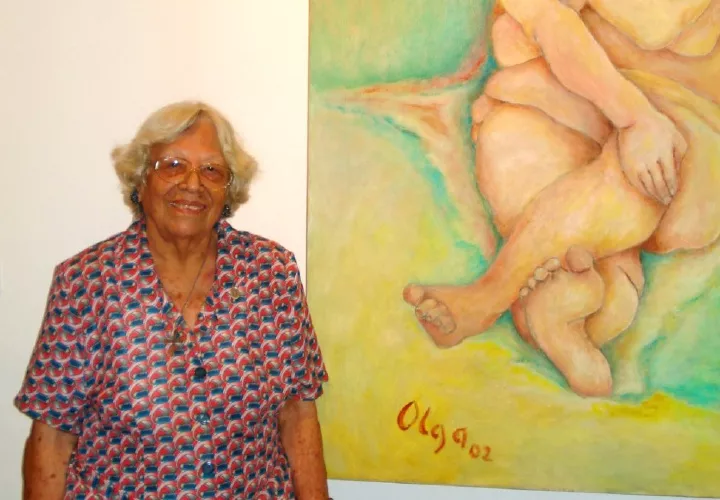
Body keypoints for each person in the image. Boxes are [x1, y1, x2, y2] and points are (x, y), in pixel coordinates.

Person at [15, 101, 331, 499]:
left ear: (228, 189)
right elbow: (52, 436)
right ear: (141, 181)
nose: (192, 183)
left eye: (212, 170)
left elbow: (298, 413)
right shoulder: (86, 283)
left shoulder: (271, 273)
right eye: (173, 165)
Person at [403, 0, 719, 396]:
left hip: (682, 124)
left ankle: (493, 295)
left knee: (647, 173)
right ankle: (567, 308)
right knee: (514, 142)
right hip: (564, 95)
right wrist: (633, 114)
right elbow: (549, 20)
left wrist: (643, 122)